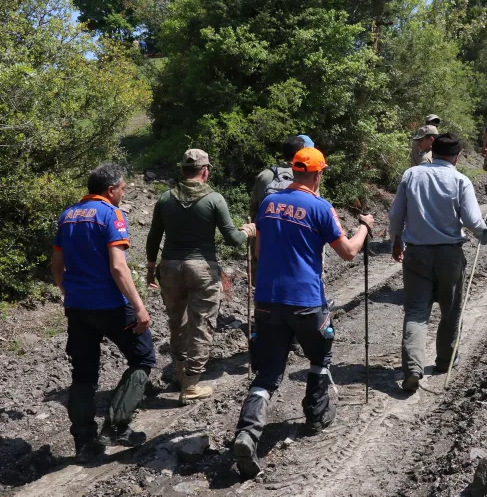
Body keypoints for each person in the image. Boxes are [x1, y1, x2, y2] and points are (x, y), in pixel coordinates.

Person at [233, 147, 374, 479]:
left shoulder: (268, 204)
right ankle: (315, 414)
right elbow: (349, 252)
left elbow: (259, 250)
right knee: (319, 356)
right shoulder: (321, 208)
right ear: (318, 174)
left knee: (267, 374)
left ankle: (247, 434)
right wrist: (365, 226)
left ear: (293, 172)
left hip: (267, 300)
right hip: (306, 301)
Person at [51, 163, 156, 463]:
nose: (123, 194)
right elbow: (118, 266)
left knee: (83, 374)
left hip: (77, 307)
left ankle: (83, 442)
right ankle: (118, 426)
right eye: (122, 188)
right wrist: (139, 306)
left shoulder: (67, 216)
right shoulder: (111, 214)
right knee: (143, 357)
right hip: (110, 305)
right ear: (111, 190)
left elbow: (57, 266)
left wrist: (67, 293)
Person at [146, 149, 256, 405]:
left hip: (170, 267)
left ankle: (182, 376)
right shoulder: (214, 199)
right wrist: (248, 231)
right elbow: (233, 238)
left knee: (177, 323)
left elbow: (153, 237)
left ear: (182, 171)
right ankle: (192, 386)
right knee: (201, 324)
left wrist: (152, 268)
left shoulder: (165, 199)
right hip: (202, 268)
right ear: (205, 171)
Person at [388, 133, 487, 393]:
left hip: (416, 254)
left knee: (415, 312)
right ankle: (445, 361)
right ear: (457, 156)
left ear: (432, 152)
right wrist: (483, 232)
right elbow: (471, 219)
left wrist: (396, 240)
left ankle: (413, 367)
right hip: (449, 255)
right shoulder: (459, 180)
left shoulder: (411, 175)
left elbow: (395, 215)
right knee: (451, 310)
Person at [250, 136, 308, 353]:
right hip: (295, 245)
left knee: (264, 289)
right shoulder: (304, 175)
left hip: (265, 241)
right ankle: (293, 338)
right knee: (294, 289)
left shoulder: (265, 176)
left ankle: (264, 334)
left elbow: (254, 209)